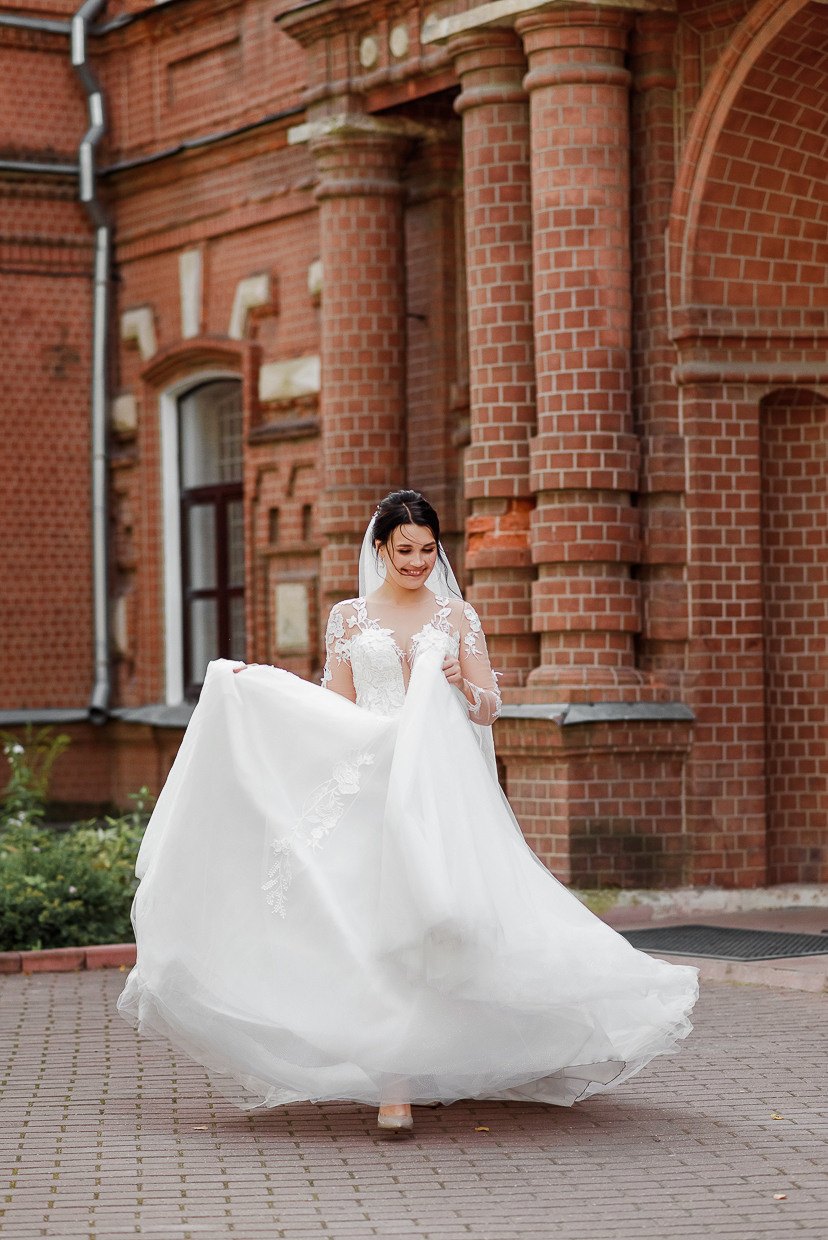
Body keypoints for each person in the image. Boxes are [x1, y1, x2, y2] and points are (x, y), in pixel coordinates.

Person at [118, 489, 698, 1133]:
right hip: (369, 779)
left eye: (427, 549)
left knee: (437, 919)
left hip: (435, 786)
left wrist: (459, 682)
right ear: (380, 548)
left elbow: (490, 707)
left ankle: (437, 1059)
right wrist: (260, 693)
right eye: (404, 550)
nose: (418, 562)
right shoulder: (347, 617)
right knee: (372, 924)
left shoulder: (455, 616)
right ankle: (394, 1083)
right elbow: (335, 706)